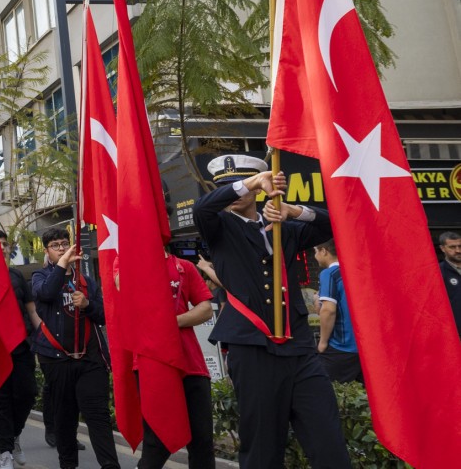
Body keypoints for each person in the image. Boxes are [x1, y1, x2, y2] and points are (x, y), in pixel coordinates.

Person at [192, 155, 349, 469]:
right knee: (263, 447)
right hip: (252, 348)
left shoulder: (283, 228)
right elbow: (201, 208)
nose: (236, 194)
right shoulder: (219, 226)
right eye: (228, 187)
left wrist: (294, 211)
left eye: (245, 185)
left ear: (260, 191)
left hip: (299, 346)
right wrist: (249, 183)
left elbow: (334, 224)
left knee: (328, 441)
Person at [32, 226, 118, 469]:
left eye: (63, 243)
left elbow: (103, 316)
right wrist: (62, 266)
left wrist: (88, 304)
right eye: (55, 246)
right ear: (47, 251)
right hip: (56, 359)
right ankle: (68, 465)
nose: (61, 249)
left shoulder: (86, 281)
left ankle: (111, 466)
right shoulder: (39, 277)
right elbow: (47, 293)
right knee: (65, 418)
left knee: (98, 416)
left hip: (90, 359)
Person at [130, 250, 216, 469]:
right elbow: (121, 297)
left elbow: (205, 309)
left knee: (202, 440)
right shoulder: (129, 264)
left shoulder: (183, 266)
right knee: (156, 442)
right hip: (152, 365)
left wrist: (171, 322)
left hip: (191, 366)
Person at [0, 230, 40, 469]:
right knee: (1, 402)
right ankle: (5, 451)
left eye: (5, 244)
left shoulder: (16, 276)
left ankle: (14, 436)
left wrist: (46, 338)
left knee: (27, 394)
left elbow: (32, 311)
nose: (4, 248)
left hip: (21, 349)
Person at [313, 242, 360, 383]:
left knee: (322, 388)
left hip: (340, 345)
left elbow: (328, 310)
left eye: (315, 251)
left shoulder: (329, 274)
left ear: (324, 251)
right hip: (364, 346)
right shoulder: (356, 271)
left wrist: (322, 342)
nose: (315, 256)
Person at [439, 231, 461, 337]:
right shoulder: (438, 272)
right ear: (443, 248)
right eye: (452, 247)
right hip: (453, 334)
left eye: (460, 246)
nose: (458, 250)